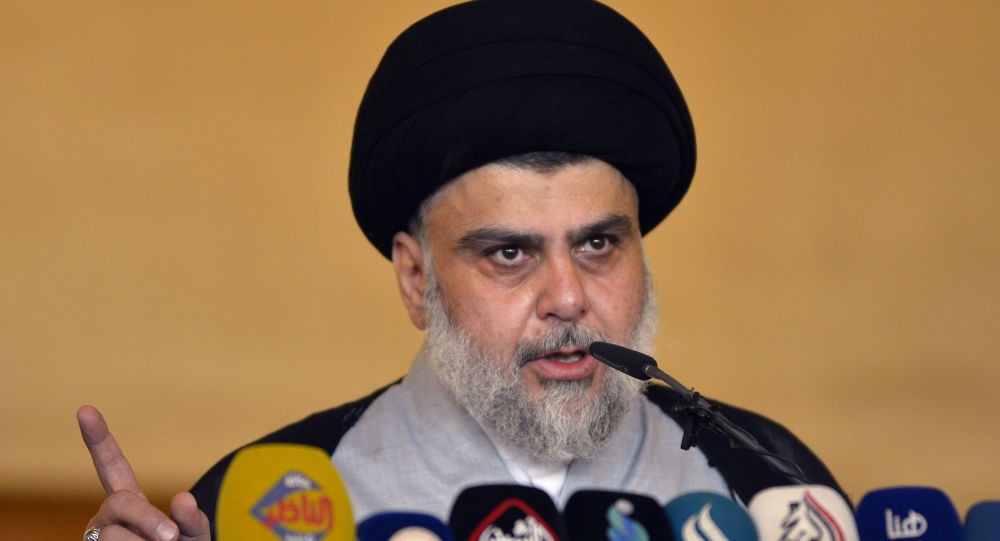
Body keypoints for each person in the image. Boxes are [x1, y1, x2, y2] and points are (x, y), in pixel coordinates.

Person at [77, 1, 844, 540]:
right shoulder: (272, 499)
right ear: (417, 280)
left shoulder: (766, 481)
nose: (568, 297)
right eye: (510, 253)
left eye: (599, 245)